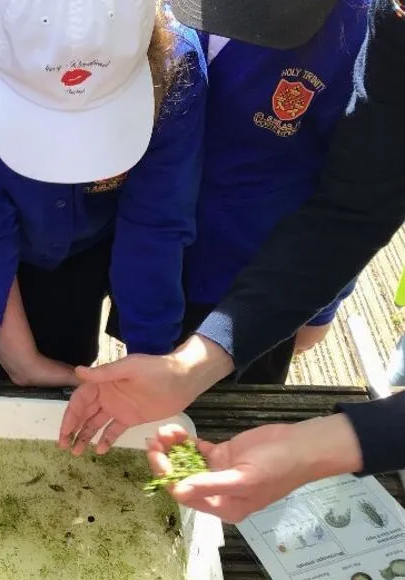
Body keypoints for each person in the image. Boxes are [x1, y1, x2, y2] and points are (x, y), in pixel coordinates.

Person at [59, 0, 405, 523]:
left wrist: (320, 446)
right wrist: (193, 365)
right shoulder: (394, 23)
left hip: (248, 252)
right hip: (198, 262)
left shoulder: (351, 28)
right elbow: (353, 209)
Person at [0, 0, 208, 394]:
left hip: (89, 249)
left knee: (73, 356)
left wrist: (150, 361)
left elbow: (156, 226)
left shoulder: (174, 66)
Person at [179, 0, 368, 383]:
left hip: (253, 284)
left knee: (233, 416)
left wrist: (320, 306)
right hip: (155, 253)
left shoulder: (358, 28)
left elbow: (354, 194)